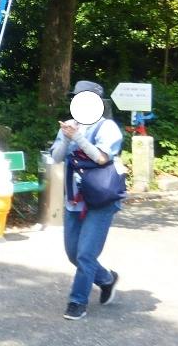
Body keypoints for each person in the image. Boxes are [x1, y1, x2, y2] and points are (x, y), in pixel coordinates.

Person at [51, 80, 124, 321]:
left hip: (101, 198)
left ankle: (77, 301)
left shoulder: (108, 127)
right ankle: (106, 279)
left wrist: (78, 138)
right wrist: (66, 138)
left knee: (85, 254)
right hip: (74, 198)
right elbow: (56, 158)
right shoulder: (69, 125)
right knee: (73, 254)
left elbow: (101, 158)